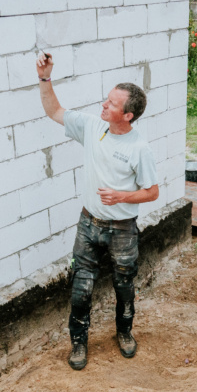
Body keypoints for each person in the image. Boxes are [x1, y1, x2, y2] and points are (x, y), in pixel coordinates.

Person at [35, 53, 160, 370]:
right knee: (80, 288)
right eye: (106, 99)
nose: (103, 106)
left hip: (122, 230)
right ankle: (78, 343)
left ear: (127, 115)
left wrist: (121, 195)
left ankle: (124, 332)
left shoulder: (139, 148)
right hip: (88, 225)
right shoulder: (92, 127)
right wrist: (45, 77)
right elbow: (53, 110)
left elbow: (153, 191)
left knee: (124, 287)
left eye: (111, 104)